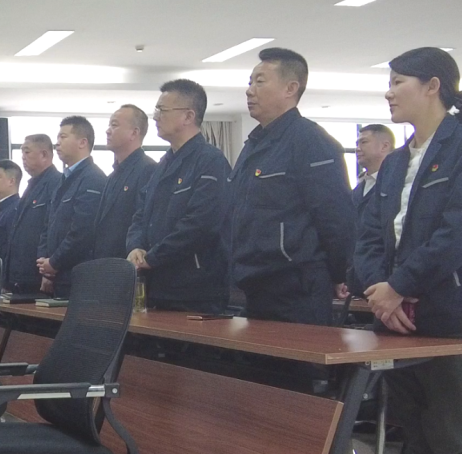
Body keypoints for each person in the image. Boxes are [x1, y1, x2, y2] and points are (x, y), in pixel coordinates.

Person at [355, 47, 462, 454]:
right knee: (411, 431)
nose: (389, 93)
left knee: (448, 432)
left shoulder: (457, 147)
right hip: (394, 319)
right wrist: (380, 292)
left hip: (446, 316)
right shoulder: (395, 162)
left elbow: (454, 233)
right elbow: (367, 236)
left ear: (432, 86)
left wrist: (399, 286)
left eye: (398, 82)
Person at [228, 48, 354, 325]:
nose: (249, 90)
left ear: (290, 88)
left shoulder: (311, 141)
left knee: (300, 355)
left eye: (260, 81)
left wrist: (338, 274)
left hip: (296, 286)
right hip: (254, 283)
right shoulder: (254, 144)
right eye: (250, 82)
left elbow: (335, 217)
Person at [127, 79, 231, 313]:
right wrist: (135, 247)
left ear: (188, 116)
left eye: (162, 110)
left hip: (195, 290)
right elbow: (141, 214)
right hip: (158, 284)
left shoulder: (210, 161)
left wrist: (153, 257)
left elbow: (201, 224)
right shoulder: (163, 164)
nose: (155, 117)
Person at [37, 116, 107, 298]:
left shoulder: (93, 178)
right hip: (57, 274)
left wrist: (54, 262)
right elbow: (48, 225)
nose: (57, 143)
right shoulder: (64, 179)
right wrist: (45, 264)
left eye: (63, 137)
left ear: (82, 142)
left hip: (77, 275)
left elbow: (83, 231)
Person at [93, 104, 156, 259]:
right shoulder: (113, 175)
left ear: (134, 133)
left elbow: (143, 221)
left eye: (114, 125)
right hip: (104, 262)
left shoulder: (148, 169)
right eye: (109, 125)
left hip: (128, 262)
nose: (108, 131)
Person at [5, 134, 61, 294]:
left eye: (27, 152)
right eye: (22, 152)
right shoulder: (31, 185)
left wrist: (47, 273)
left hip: (38, 276)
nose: (23, 157)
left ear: (44, 154)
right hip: (20, 276)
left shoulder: (56, 183)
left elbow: (51, 229)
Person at [348, 124, 395, 296]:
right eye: (357, 143)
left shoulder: (396, 186)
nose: (357, 148)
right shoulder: (358, 189)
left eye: (364, 142)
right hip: (356, 280)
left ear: (384, 146)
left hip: (386, 280)